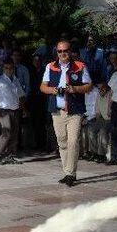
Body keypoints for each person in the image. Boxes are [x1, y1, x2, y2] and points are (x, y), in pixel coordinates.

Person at [40, 40, 93, 187]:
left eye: (65, 51)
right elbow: (42, 86)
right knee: (62, 142)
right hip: (57, 111)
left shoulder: (80, 66)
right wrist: (52, 90)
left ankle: (71, 173)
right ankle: (67, 171)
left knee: (73, 141)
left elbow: (89, 86)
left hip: (75, 110)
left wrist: (74, 89)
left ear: (70, 52)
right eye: (60, 51)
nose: (63, 54)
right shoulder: (50, 66)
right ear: (56, 52)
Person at [0, 60, 25, 164]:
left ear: (13, 69)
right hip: (4, 110)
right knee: (6, 131)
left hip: (15, 110)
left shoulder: (16, 80)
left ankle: (10, 155)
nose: (9, 70)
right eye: (6, 68)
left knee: (15, 133)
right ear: (3, 69)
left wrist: (24, 109)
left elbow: (21, 96)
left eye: (10, 68)